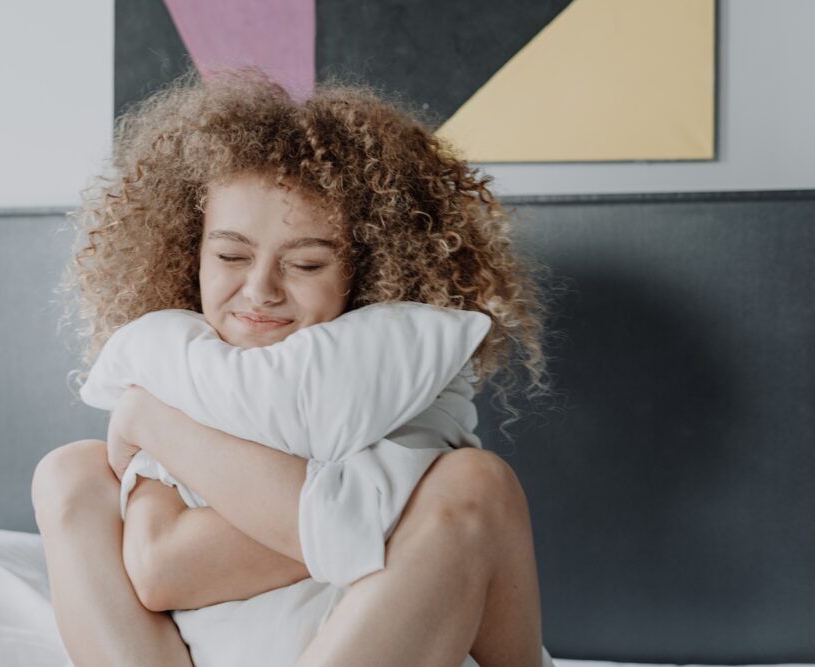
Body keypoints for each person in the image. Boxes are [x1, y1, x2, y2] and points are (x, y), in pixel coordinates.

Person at [31, 67, 554, 667]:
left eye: (305, 264)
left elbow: (313, 536)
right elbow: (159, 566)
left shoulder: (400, 368)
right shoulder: (178, 363)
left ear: (368, 269)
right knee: (68, 470)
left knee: (478, 483)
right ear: (188, 252)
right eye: (230, 254)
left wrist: (147, 417)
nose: (260, 290)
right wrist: (389, 519)